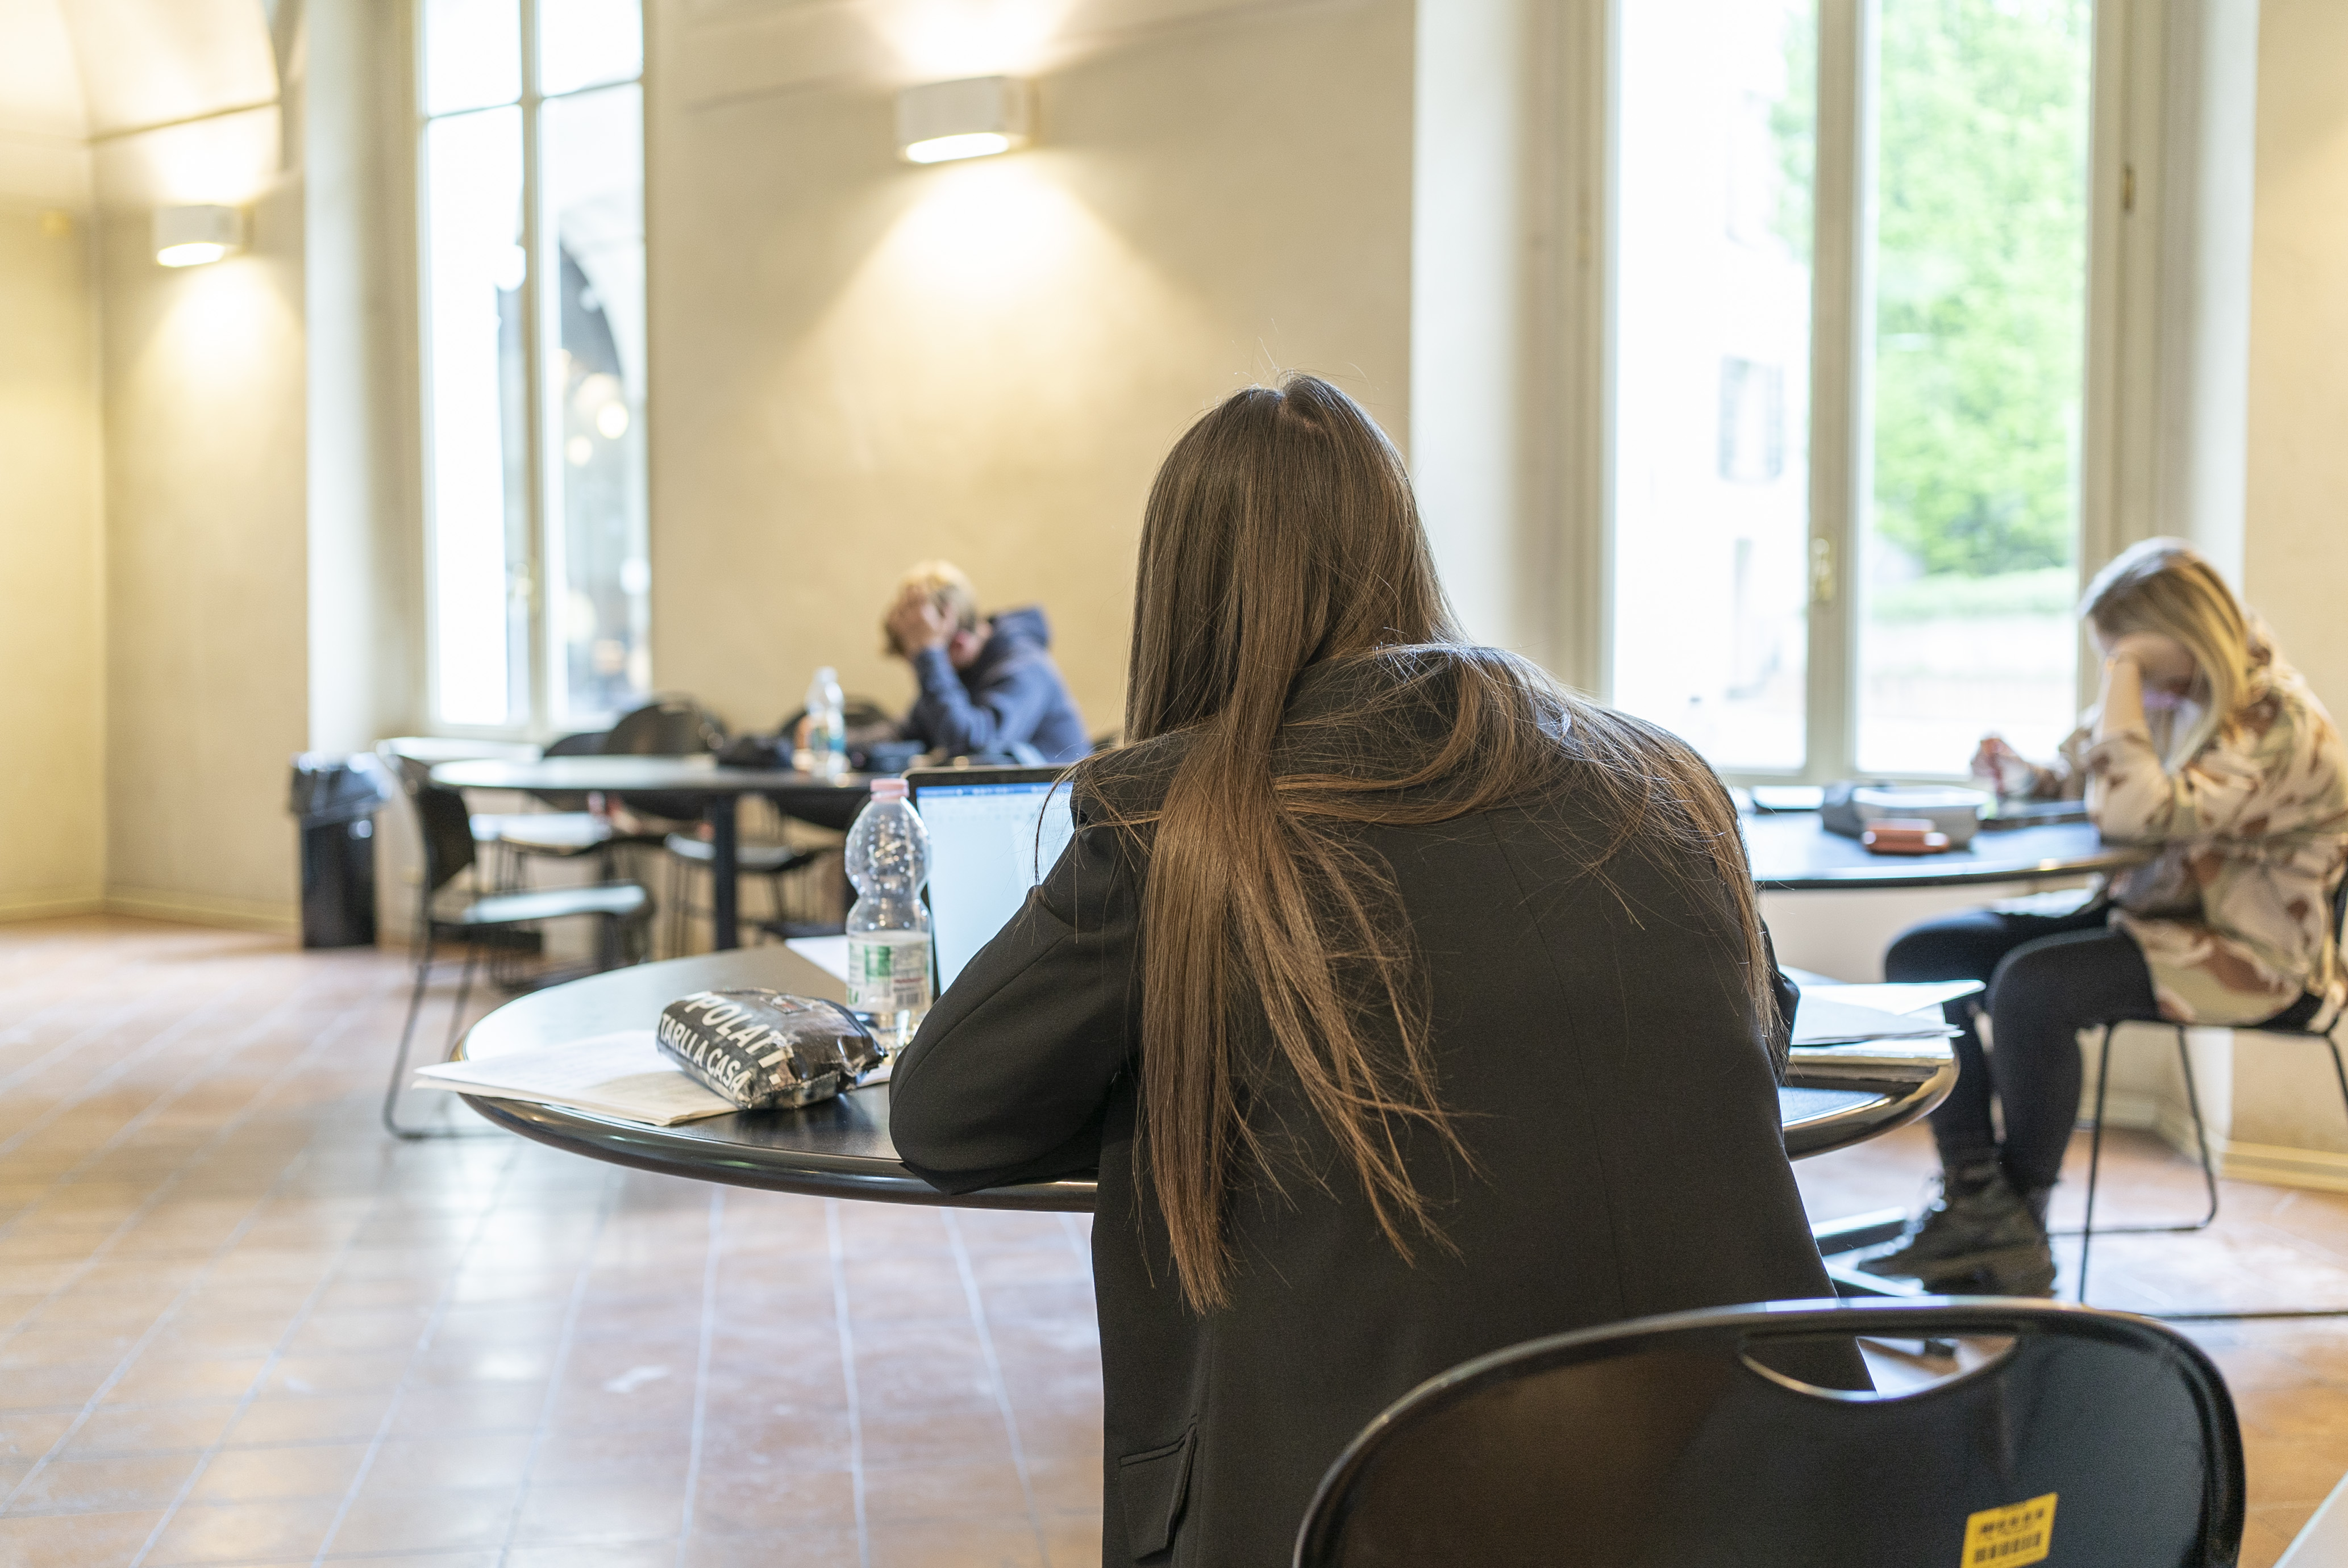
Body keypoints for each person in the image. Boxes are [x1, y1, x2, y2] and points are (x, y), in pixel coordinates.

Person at [888, 377, 1855, 1567]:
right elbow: (1753, 1032)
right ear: (1402, 541)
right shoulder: (1664, 780)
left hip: (1362, 1516)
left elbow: (941, 1116)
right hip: (1751, 1494)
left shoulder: (1178, 823)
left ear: (1183, 594)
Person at [1873, 539, 2348, 1295]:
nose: (2120, 675)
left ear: (2183, 635)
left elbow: (2134, 811)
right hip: (2147, 920)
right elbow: (2089, 774)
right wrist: (2025, 775)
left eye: (2128, 656)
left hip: (2252, 956)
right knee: (1922, 956)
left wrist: (2124, 676)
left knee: (2034, 988)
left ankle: (2021, 1213)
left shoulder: (2276, 723)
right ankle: (1977, 1198)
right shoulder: (2176, 693)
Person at [880, 560, 1090, 764]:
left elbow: (973, 751)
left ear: (958, 644)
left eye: (920, 659)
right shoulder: (965, 672)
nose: (920, 670)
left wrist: (930, 655)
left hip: (1058, 799)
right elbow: (908, 733)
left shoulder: (1026, 667)